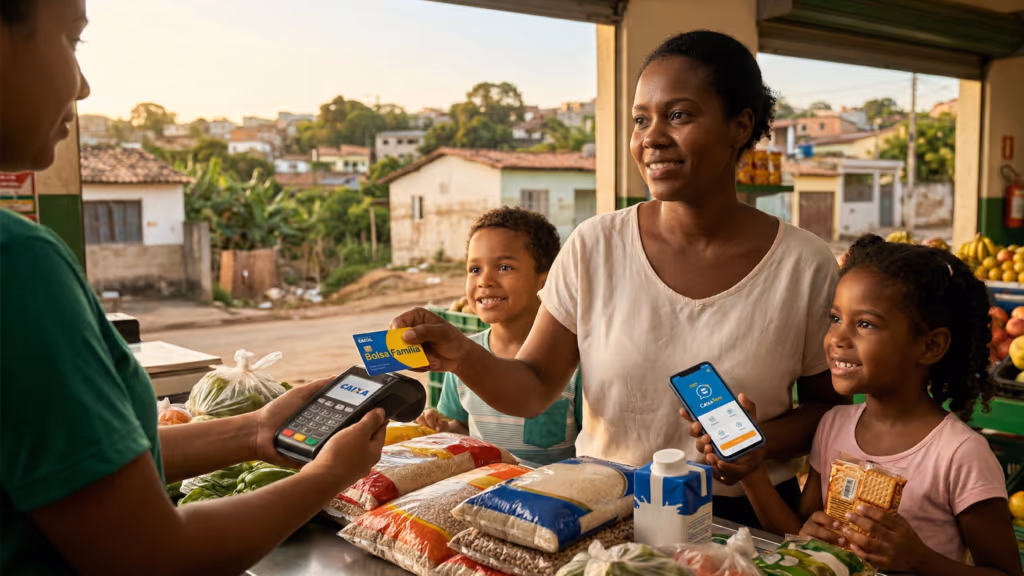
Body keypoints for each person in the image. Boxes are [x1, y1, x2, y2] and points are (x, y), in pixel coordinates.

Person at [392, 30, 845, 528]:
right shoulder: (594, 246)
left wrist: (754, 442)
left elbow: (829, 411)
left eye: (679, 115)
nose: (651, 137)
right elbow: (534, 387)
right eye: (640, 120)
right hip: (603, 512)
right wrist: (463, 355)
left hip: (743, 518)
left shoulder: (804, 264)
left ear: (740, 126)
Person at [0, 2, 387, 574]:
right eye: (73, 41)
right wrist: (326, 475)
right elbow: (155, 558)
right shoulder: (18, 262)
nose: (83, 87)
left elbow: (73, 466)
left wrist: (256, 431)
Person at [727, 235, 1023, 575]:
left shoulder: (960, 454)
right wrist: (752, 474)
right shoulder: (832, 426)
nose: (837, 337)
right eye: (835, 318)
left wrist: (921, 561)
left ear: (930, 346)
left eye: (864, 324)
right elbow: (800, 532)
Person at [416, 207, 583, 465]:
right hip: (481, 491)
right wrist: (443, 430)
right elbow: (463, 427)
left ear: (546, 281)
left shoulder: (571, 363)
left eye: (504, 267)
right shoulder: (462, 357)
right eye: (474, 270)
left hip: (551, 496)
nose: (484, 281)